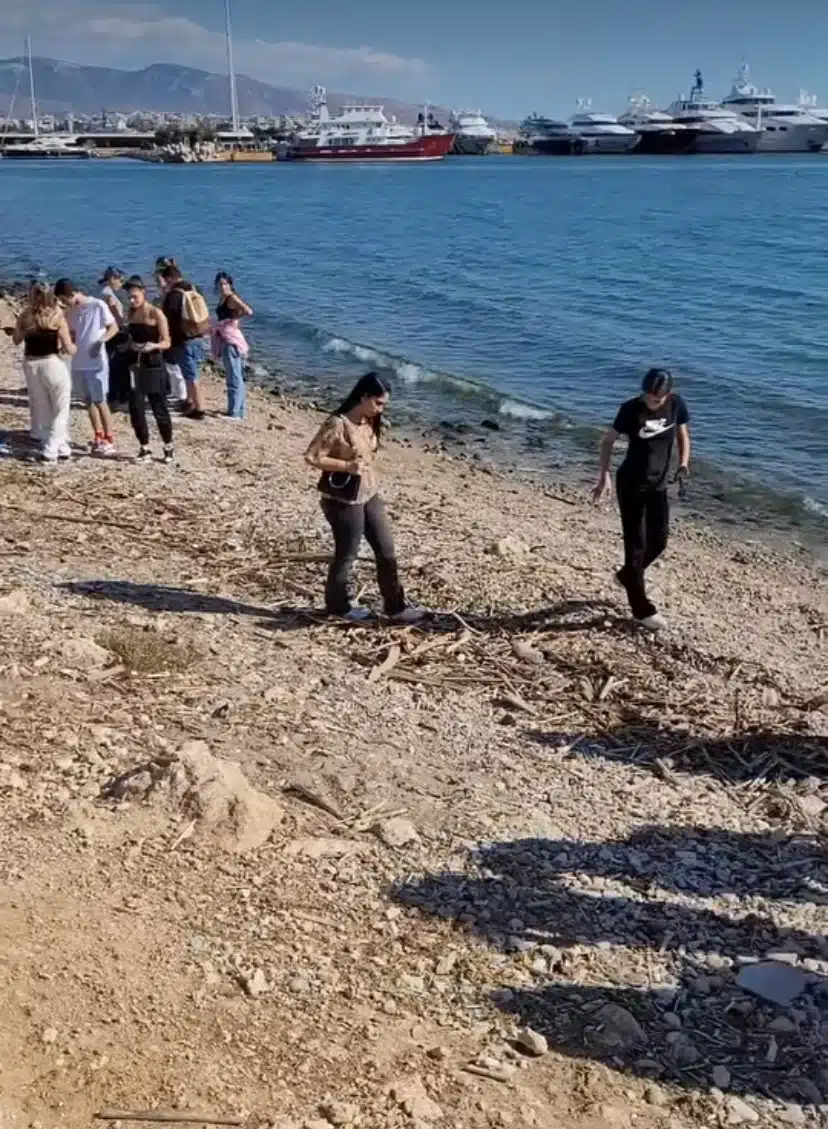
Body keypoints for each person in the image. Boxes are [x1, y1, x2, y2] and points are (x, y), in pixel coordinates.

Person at [304, 372, 424, 624]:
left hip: (369, 492)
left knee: (386, 549)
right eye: (378, 403)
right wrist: (346, 466)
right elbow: (313, 456)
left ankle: (395, 607)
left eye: (384, 405)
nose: (381, 409)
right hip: (344, 499)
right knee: (347, 552)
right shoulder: (338, 424)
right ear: (363, 396)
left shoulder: (369, 422)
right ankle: (337, 606)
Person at [592, 368, 691, 632]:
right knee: (635, 548)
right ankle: (641, 610)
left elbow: (682, 435)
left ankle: (628, 575)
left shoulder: (676, 404)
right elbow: (607, 441)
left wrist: (683, 463)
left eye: (657, 399)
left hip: (659, 485)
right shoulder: (630, 409)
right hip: (631, 484)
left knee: (658, 542)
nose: (651, 402)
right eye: (648, 397)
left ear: (668, 394)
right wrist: (604, 476)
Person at [12, 281, 76, 463]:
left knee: (43, 408)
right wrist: (74, 347)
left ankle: (61, 446)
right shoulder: (56, 316)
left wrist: (22, 329)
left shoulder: (25, 316)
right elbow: (69, 348)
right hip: (51, 363)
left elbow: (16, 339)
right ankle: (51, 450)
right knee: (61, 407)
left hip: (31, 365)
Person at [54, 278, 118, 456]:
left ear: (71, 294)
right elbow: (72, 334)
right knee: (87, 401)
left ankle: (109, 439)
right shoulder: (71, 311)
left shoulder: (97, 305)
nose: (64, 303)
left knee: (100, 400)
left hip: (96, 363)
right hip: (78, 362)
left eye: (64, 299)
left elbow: (113, 327)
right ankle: (98, 435)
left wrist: (101, 341)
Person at [124, 276, 175, 463]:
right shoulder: (130, 313)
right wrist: (131, 345)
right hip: (135, 363)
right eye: (129, 297)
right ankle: (144, 447)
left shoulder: (155, 313)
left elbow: (167, 342)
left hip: (153, 363)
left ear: (143, 292)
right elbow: (130, 337)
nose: (132, 300)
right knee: (136, 408)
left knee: (158, 406)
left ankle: (168, 446)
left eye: (135, 296)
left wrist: (153, 346)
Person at [160, 264, 209, 420]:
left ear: (169, 279)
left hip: (183, 339)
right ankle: (189, 401)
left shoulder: (174, 295)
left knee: (190, 375)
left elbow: (168, 319)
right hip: (198, 335)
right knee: (192, 371)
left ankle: (199, 408)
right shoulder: (194, 289)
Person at [212, 271, 253, 419]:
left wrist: (232, 319)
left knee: (234, 378)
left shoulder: (231, 297)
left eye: (225, 284)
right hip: (227, 338)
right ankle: (238, 410)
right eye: (220, 284)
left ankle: (235, 413)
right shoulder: (223, 299)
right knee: (236, 377)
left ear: (230, 284)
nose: (223, 287)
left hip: (231, 341)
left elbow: (248, 311)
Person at [99, 267, 132, 411]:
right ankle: (119, 398)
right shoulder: (108, 295)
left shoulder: (103, 292)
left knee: (114, 366)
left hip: (109, 332)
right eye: (120, 280)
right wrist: (125, 324)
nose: (121, 283)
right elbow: (115, 314)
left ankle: (115, 397)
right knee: (119, 366)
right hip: (117, 333)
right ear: (112, 279)